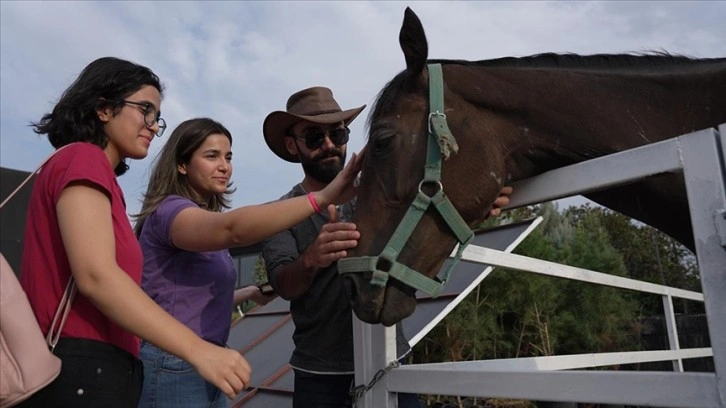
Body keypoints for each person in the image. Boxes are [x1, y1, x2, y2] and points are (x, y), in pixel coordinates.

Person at [260, 86, 513, 408]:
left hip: (391, 361)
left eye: (337, 134)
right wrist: (312, 258)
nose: (328, 146)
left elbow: (429, 229)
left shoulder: (385, 192)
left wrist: (475, 206)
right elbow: (283, 284)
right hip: (320, 377)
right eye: (313, 137)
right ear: (291, 145)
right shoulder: (279, 213)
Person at [17, 57, 249, 408]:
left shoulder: (96, 175)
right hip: (83, 366)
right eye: (145, 110)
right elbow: (97, 276)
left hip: (97, 367)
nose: (154, 126)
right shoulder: (84, 160)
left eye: (157, 116)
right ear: (103, 109)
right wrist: (198, 350)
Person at [133, 117, 364, 408]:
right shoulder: (171, 213)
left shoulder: (200, 221)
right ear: (182, 165)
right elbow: (234, 230)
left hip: (204, 361)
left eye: (228, 157)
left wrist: (249, 293)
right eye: (211, 156)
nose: (224, 166)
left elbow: (185, 301)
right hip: (174, 363)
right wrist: (322, 198)